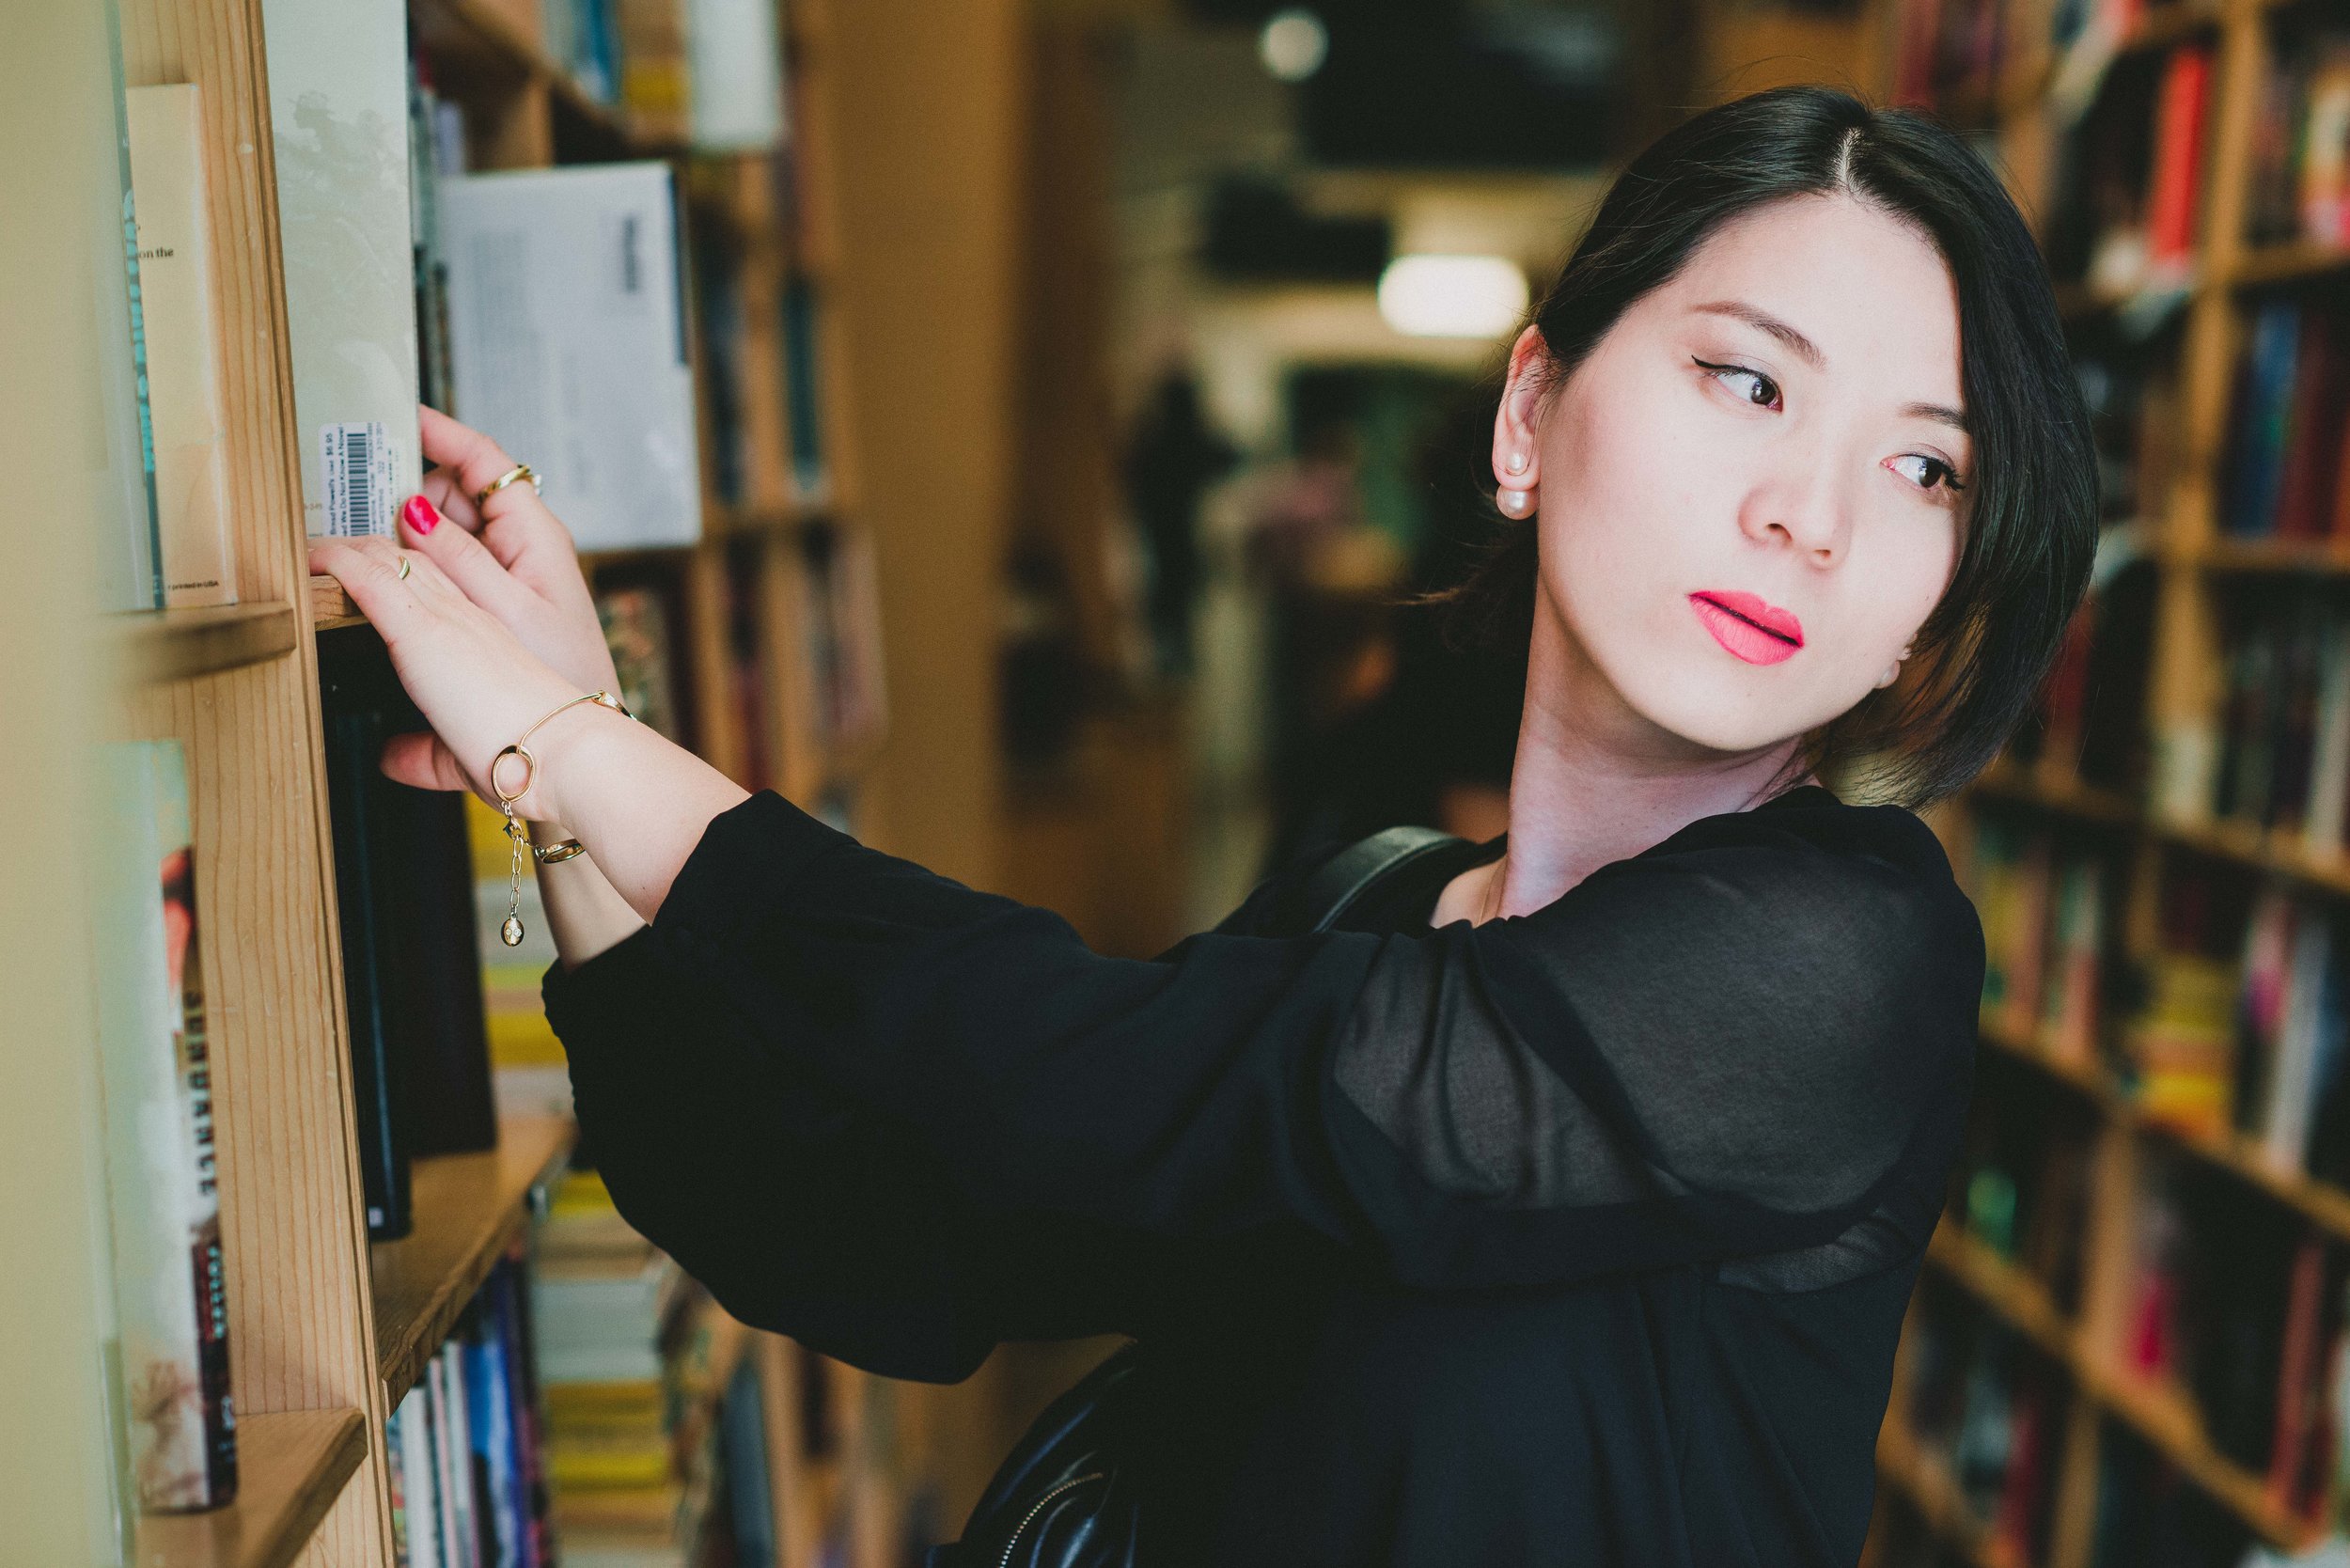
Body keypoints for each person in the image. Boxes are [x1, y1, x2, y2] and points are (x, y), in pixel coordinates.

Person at [313, 85, 2095, 1567]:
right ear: (1533, 415)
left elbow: (1127, 1068)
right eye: (1752, 382)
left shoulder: (1847, 957)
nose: (1812, 515)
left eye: (1925, 467)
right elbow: (877, 1244)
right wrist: (565, 789)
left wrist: (589, 756)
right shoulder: (1373, 910)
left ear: (1936, 605)